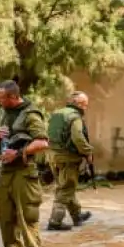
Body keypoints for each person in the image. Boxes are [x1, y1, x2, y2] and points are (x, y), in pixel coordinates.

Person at [0, 80, 51, 247]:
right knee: (6, 218)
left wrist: (18, 153)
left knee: (27, 218)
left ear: (14, 97)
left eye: (2, 98)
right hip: (6, 172)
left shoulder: (31, 114)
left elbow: (42, 142)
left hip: (24, 172)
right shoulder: (3, 113)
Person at [47, 91, 94, 230]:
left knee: (67, 187)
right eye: (85, 105)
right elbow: (78, 138)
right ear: (79, 104)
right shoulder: (75, 117)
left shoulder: (57, 114)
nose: (85, 108)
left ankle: (77, 215)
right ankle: (55, 221)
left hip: (53, 156)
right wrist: (88, 152)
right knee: (66, 188)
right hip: (68, 158)